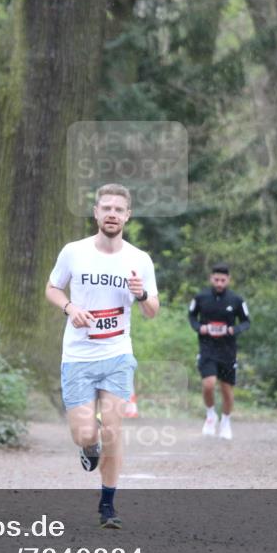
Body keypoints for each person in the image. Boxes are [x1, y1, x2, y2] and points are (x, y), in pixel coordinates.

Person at [45, 183, 159, 529]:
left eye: (118, 209)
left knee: (112, 429)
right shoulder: (73, 252)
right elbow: (52, 288)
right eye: (106, 208)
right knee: (85, 434)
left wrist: (141, 296)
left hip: (117, 355)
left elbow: (152, 310)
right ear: (96, 213)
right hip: (78, 357)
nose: (112, 214)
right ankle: (87, 447)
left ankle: (108, 505)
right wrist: (69, 307)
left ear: (127, 215)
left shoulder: (139, 259)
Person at [188, 263, 250, 440]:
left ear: (228, 280)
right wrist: (200, 328)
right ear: (211, 278)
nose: (219, 283)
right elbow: (192, 316)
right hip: (207, 348)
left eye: (223, 280)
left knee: (226, 388)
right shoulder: (201, 297)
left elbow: (246, 321)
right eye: (216, 279)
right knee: (208, 383)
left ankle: (226, 421)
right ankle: (210, 415)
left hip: (228, 351)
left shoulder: (236, 300)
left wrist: (233, 330)